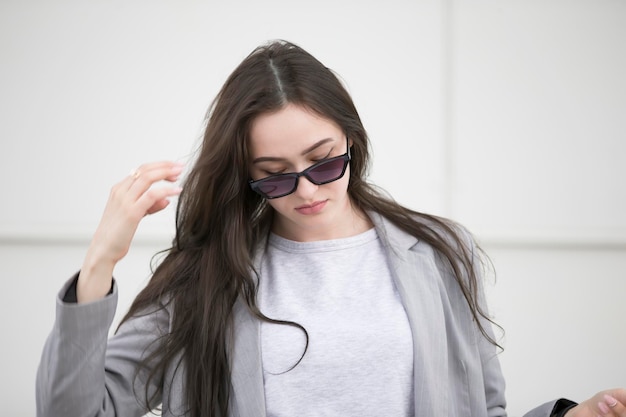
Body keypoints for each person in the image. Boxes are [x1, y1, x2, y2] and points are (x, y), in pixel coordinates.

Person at [36, 40, 624, 417]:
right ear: (245, 177)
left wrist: (568, 416)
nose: (308, 189)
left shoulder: (442, 252)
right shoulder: (203, 277)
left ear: (352, 139)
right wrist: (99, 265)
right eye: (274, 177)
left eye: (323, 161)